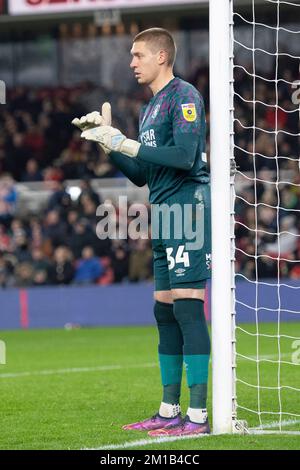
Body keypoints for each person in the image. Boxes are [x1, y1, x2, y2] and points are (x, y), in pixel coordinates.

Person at [72, 28, 211, 437]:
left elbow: (186, 157)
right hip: (163, 214)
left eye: (138, 55)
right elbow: (141, 176)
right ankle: (169, 410)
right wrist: (109, 144)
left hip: (187, 209)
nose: (131, 62)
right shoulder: (150, 109)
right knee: (164, 311)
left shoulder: (184, 97)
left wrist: (125, 142)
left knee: (187, 308)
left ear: (162, 56)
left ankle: (198, 416)